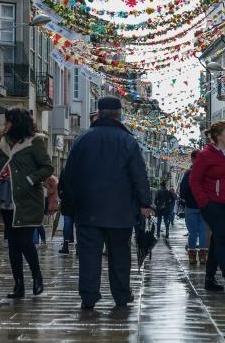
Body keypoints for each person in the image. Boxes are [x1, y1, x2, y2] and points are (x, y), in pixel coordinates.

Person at [59, 97, 152, 310]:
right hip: (120, 212)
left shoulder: (83, 139)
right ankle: (121, 295)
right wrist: (145, 203)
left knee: (89, 256)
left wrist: (71, 203)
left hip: (88, 209)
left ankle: (89, 296)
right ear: (119, 115)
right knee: (120, 255)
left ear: (98, 114)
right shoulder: (128, 141)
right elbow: (140, 175)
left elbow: (69, 175)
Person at [0, 108, 53, 299]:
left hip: (27, 200)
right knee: (13, 244)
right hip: (7, 198)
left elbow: (47, 167)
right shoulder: (3, 142)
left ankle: (37, 277)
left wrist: (29, 179)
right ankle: (19, 285)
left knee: (26, 241)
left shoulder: (35, 141)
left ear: (16, 123)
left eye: (7, 121)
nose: (5, 125)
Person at [189, 121, 225, 293]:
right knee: (223, 237)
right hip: (213, 204)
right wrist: (204, 202)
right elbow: (195, 180)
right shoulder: (205, 155)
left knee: (218, 239)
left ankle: (209, 279)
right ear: (218, 136)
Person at [178, 150, 208, 265]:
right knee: (202, 232)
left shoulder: (188, 174)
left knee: (192, 232)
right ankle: (203, 257)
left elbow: (183, 192)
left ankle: (192, 257)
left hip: (190, 207)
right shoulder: (206, 173)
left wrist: (188, 199)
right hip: (204, 206)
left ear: (192, 159)